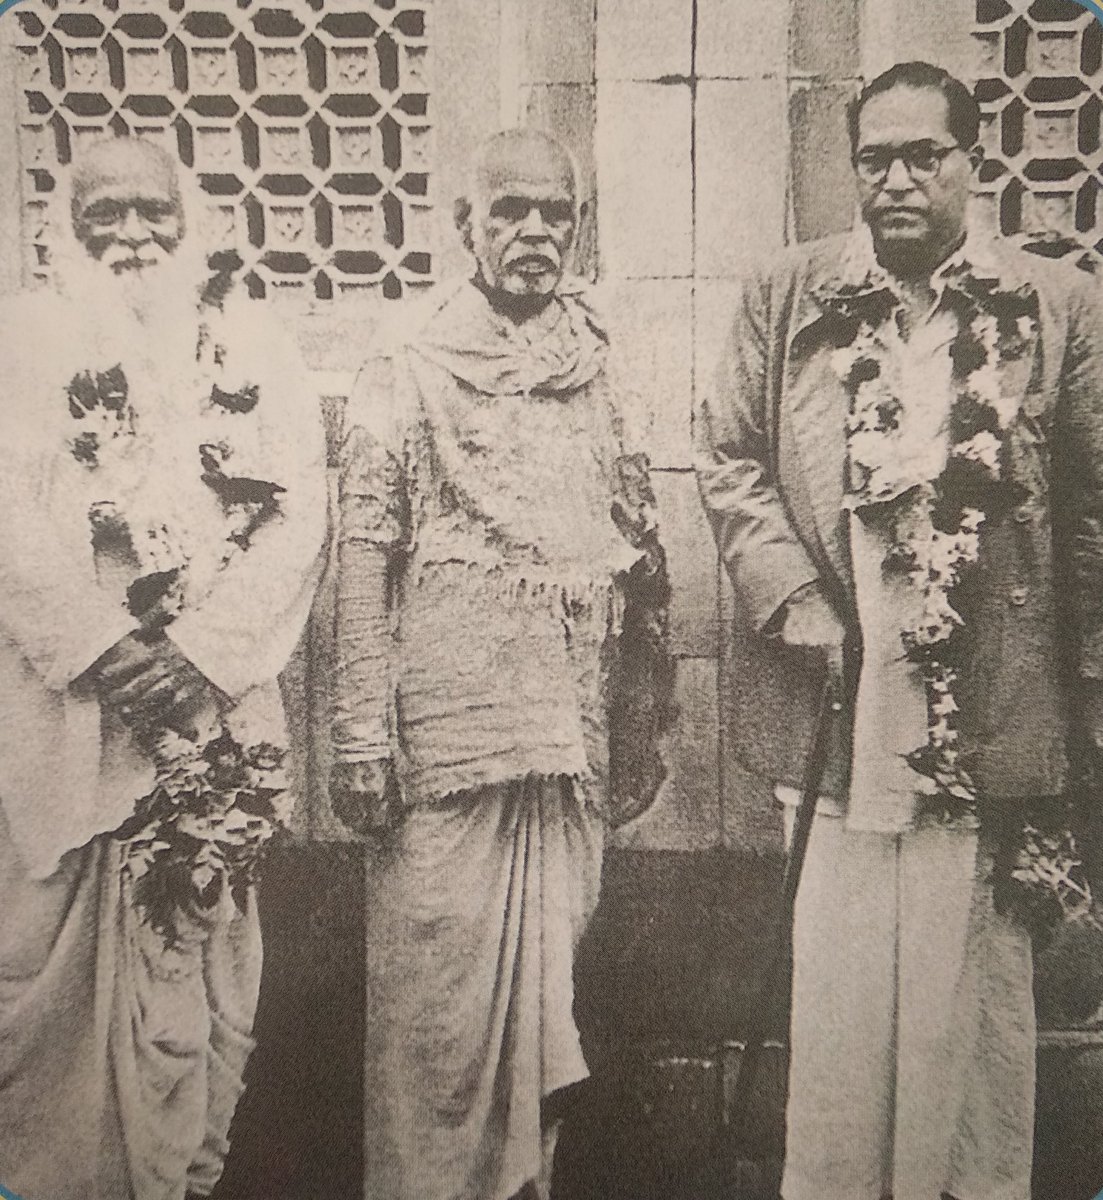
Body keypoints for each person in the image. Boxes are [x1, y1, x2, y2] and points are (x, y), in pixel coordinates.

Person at [695, 61, 1103, 1200]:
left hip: (991, 702)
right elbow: (726, 456)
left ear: (974, 164)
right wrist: (792, 598)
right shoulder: (789, 293)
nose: (897, 181)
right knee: (835, 982)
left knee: (965, 988)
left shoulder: (1054, 304)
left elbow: (1087, 505)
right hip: (835, 696)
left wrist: (1081, 703)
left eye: (924, 155)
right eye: (874, 158)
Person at [331, 128, 671, 1200]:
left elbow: (640, 551)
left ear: (578, 228)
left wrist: (640, 719)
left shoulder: (604, 360)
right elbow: (361, 552)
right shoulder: (407, 358)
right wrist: (355, 734)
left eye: (554, 214)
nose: (532, 232)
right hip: (444, 744)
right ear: (464, 225)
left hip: (565, 744)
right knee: (435, 1024)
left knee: (541, 1024)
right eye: (509, 211)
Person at [0, 137, 328, 1200]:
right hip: (63, 720)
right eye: (107, 216)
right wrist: (104, 649)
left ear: (190, 224)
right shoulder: (19, 340)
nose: (133, 236)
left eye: (154, 213)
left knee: (206, 974)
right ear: (67, 226)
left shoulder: (252, 347)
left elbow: (298, 518)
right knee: (44, 996)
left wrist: (198, 650)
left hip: (214, 715)